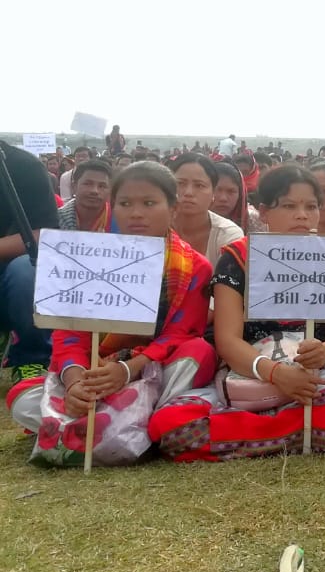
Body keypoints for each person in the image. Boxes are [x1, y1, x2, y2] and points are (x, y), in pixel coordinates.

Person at [148, 165, 325, 461]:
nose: (302, 215)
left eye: (311, 206)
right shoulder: (237, 259)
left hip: (313, 376)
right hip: (248, 375)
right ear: (264, 212)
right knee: (171, 423)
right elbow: (227, 340)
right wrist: (276, 373)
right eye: (289, 206)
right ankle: (288, 430)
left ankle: (246, 434)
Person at [9, 163, 216, 465]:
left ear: (172, 209)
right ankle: (126, 425)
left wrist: (128, 370)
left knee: (198, 353)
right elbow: (70, 331)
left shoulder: (195, 267)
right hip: (96, 368)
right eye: (125, 203)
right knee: (20, 397)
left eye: (149, 203)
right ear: (113, 206)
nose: (136, 213)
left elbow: (181, 334)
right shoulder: (84, 256)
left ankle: (95, 425)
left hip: (152, 370)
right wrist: (76, 382)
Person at [0, 142, 59, 383]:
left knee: (28, 269)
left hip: (9, 275)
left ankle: (31, 358)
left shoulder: (22, 166)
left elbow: (43, 234)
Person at [170, 153, 245, 265]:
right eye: (180, 183)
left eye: (199, 185)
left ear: (213, 192)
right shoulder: (153, 228)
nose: (188, 192)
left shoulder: (227, 234)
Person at [57, 159, 113, 232]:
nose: (94, 191)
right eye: (88, 184)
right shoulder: (55, 220)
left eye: (102, 186)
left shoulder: (119, 220)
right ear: (74, 186)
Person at [210, 162, 251, 232]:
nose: (223, 198)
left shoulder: (252, 220)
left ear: (240, 194)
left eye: (231, 191)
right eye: (217, 190)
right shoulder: (190, 218)